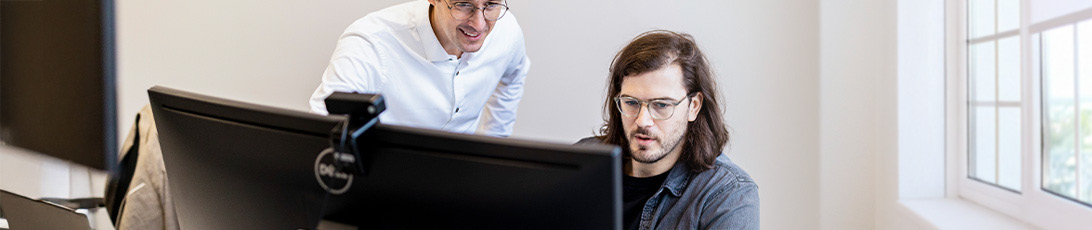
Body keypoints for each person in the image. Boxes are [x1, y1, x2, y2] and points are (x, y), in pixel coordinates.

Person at [577, 30, 759, 229]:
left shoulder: (728, 193)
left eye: (662, 105)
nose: (643, 121)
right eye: (631, 102)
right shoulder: (582, 161)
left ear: (694, 106)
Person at [309, 0, 529, 137]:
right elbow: (322, 128)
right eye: (463, 4)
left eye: (490, 4)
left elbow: (515, 75)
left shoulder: (507, 31)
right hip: (386, 186)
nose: (479, 24)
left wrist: (494, 145)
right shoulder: (371, 41)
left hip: (461, 185)